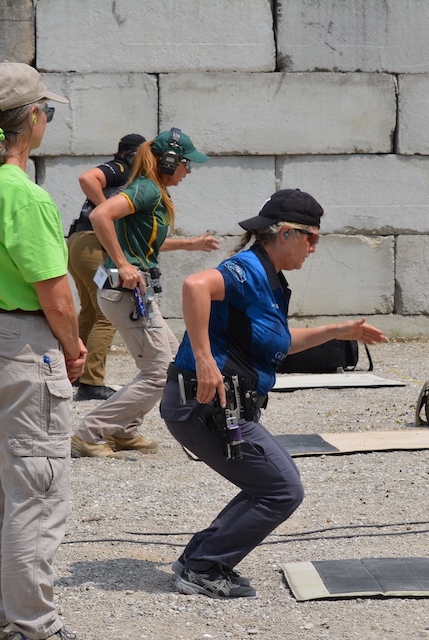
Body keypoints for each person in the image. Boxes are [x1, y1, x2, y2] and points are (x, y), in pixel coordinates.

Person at [161, 188, 387, 599]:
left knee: (275, 484)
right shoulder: (247, 269)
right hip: (203, 405)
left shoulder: (271, 281)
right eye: (311, 238)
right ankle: (201, 567)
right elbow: (195, 285)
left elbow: (279, 342)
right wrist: (204, 357)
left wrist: (338, 331)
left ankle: (199, 558)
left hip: (225, 409)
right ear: (285, 233)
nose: (314, 248)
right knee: (282, 489)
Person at [0, 61, 86, 640]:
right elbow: (55, 294)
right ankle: (36, 627)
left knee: (1, 488)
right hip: (21, 341)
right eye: (48, 112)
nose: (49, 120)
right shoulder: (22, 193)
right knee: (36, 488)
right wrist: (75, 346)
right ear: (32, 117)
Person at [70, 128, 219, 459]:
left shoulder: (153, 192)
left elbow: (148, 242)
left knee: (172, 360)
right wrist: (122, 263)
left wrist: (192, 244)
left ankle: (123, 430)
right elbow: (99, 214)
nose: (188, 171)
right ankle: (89, 433)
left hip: (136, 294)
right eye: (186, 164)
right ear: (169, 161)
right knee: (159, 371)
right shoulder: (147, 189)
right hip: (125, 293)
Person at [67, 133, 146, 402]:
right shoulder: (122, 168)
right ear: (132, 154)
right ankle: (90, 382)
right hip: (92, 243)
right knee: (106, 313)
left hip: (80, 243)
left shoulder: (129, 176)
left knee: (89, 311)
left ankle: (72, 372)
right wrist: (106, 211)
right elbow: (87, 178)